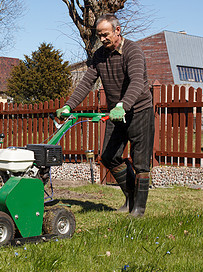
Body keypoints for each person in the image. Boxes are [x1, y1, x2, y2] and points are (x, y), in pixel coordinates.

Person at [56, 13, 154, 217]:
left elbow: (137, 82)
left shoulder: (132, 51)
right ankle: (131, 197)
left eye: (105, 34)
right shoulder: (99, 56)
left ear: (117, 30)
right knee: (109, 156)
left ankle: (139, 209)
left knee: (141, 162)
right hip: (115, 114)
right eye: (99, 35)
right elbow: (85, 83)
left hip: (139, 111)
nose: (102, 39)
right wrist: (68, 106)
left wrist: (123, 105)